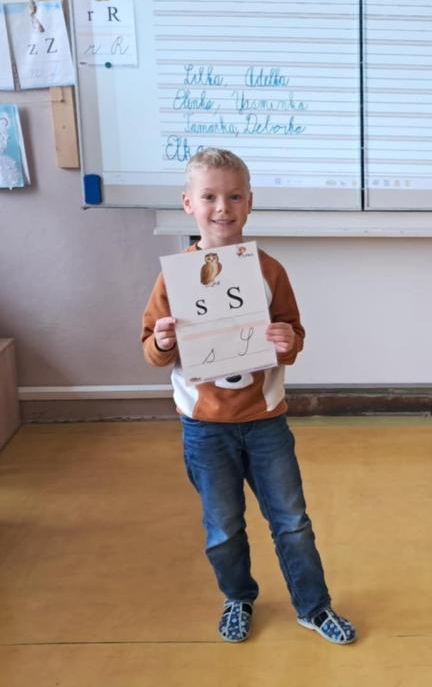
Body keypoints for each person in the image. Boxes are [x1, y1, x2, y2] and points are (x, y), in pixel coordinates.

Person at [140, 148, 356, 645]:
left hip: (265, 421)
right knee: (223, 528)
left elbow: (293, 336)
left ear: (250, 202)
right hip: (205, 427)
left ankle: (313, 606)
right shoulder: (174, 277)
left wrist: (287, 341)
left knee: (292, 521)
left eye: (234, 196)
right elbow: (151, 349)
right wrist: (165, 341)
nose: (223, 207)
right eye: (209, 197)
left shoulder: (268, 270)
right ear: (188, 203)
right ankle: (237, 597)